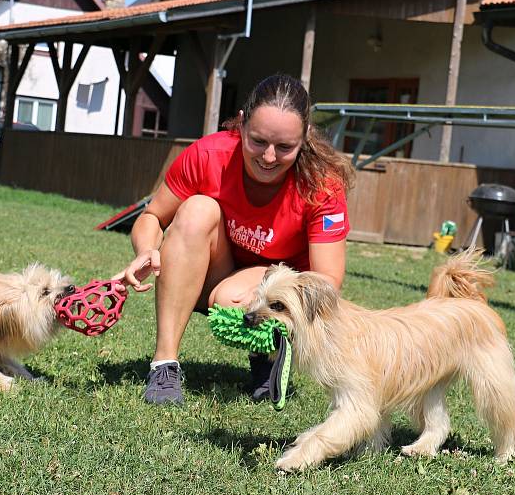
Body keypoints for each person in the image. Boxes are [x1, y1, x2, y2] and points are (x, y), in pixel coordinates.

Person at [114, 74, 354, 405]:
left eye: (285, 147)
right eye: (258, 141)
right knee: (198, 209)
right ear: (241, 124)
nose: (269, 157)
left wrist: (275, 304)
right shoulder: (208, 154)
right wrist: (146, 250)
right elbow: (152, 217)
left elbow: (327, 281)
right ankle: (164, 366)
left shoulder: (321, 184)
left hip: (271, 284)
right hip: (211, 269)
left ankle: (267, 356)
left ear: (306, 137)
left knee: (231, 298)